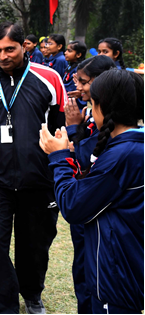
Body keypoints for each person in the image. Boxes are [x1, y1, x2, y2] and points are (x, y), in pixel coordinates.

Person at [0, 21, 67, 314]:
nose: (2, 56)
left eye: (10, 49)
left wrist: (60, 172)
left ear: (24, 46)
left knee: (34, 244)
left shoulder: (49, 79)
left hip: (38, 179)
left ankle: (32, 293)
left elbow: (60, 129)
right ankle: (2, 306)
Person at [40, 69, 143, 314]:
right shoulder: (131, 147)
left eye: (92, 104)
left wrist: (59, 157)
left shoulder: (122, 155)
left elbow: (73, 206)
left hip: (117, 276)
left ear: (102, 107)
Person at [60, 55, 117, 315]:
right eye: (77, 81)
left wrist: (73, 130)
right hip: (86, 211)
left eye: (84, 82)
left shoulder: (112, 121)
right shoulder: (89, 112)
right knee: (82, 271)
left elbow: (90, 161)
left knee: (95, 276)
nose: (78, 87)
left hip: (96, 209)